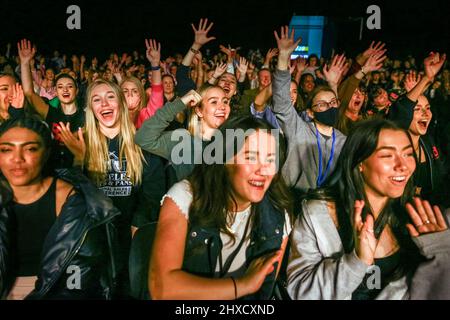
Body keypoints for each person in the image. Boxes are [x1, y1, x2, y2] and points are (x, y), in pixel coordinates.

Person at [287, 119, 450, 300]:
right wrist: (356, 262)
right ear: (360, 163)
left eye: (408, 154)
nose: (403, 166)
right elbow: (299, 292)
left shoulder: (416, 219)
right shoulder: (319, 215)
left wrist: (440, 255)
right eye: (388, 156)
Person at [149, 116, 293, 299]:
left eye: (270, 160)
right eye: (250, 157)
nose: (263, 170)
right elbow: (161, 288)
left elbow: (263, 291)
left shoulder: (278, 214)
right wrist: (242, 285)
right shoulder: (186, 197)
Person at [59, 79, 166, 297]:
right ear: (91, 109)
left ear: (122, 103)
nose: (104, 103)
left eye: (110, 97)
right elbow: (69, 201)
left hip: (131, 238)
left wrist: (139, 224)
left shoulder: (142, 144)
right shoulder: (80, 143)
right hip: (92, 241)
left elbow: (153, 195)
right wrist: (78, 160)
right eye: (96, 99)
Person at [0, 116, 120, 300]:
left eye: (30, 148)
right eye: (6, 150)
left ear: (46, 152)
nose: (17, 159)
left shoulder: (73, 202)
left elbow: (78, 282)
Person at [272, 26, 347, 197]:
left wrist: (334, 85)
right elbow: (282, 103)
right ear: (311, 112)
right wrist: (283, 57)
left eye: (332, 103)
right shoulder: (300, 129)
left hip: (326, 203)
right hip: (293, 199)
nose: (329, 107)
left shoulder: (344, 141)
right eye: (322, 104)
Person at [135, 85, 230, 183]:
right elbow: (143, 138)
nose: (223, 107)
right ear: (199, 111)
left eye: (225, 101)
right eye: (214, 102)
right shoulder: (182, 141)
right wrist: (180, 103)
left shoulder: (234, 141)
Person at [18, 40, 84, 169]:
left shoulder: (87, 116)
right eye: (60, 87)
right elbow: (29, 93)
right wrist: (25, 63)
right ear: (56, 92)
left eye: (69, 86)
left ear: (76, 91)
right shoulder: (51, 112)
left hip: (79, 171)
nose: (65, 90)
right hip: (52, 171)